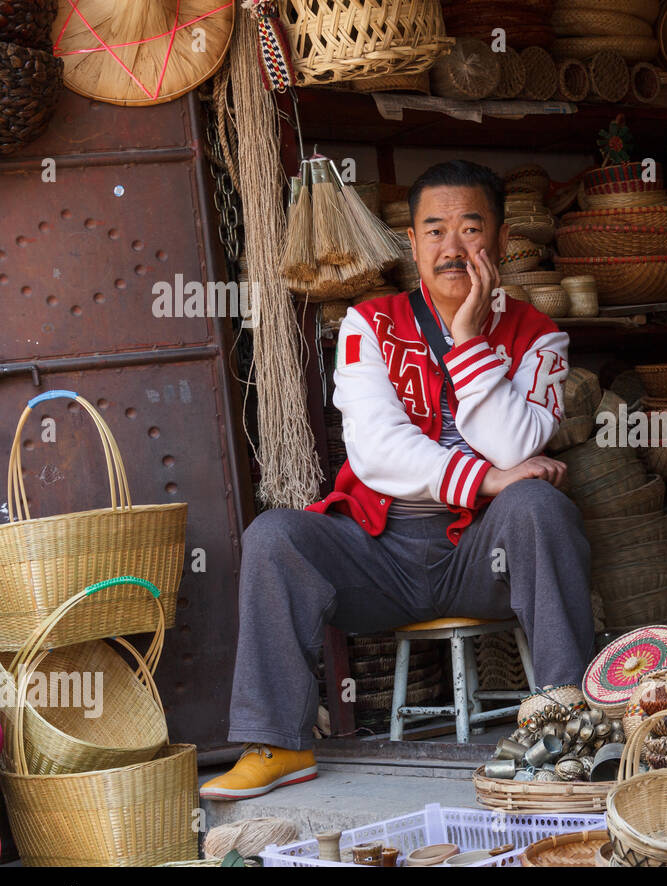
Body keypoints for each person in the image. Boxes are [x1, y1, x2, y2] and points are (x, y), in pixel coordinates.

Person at [201, 160, 593, 800]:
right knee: (276, 536)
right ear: (410, 244)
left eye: (471, 229)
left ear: (499, 237)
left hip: (484, 555)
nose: (452, 248)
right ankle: (279, 743)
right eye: (434, 230)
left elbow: (521, 443)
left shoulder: (539, 335)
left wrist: (467, 339)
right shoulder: (368, 324)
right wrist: (488, 479)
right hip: (381, 556)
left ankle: (570, 726)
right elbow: (377, 451)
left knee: (538, 507)